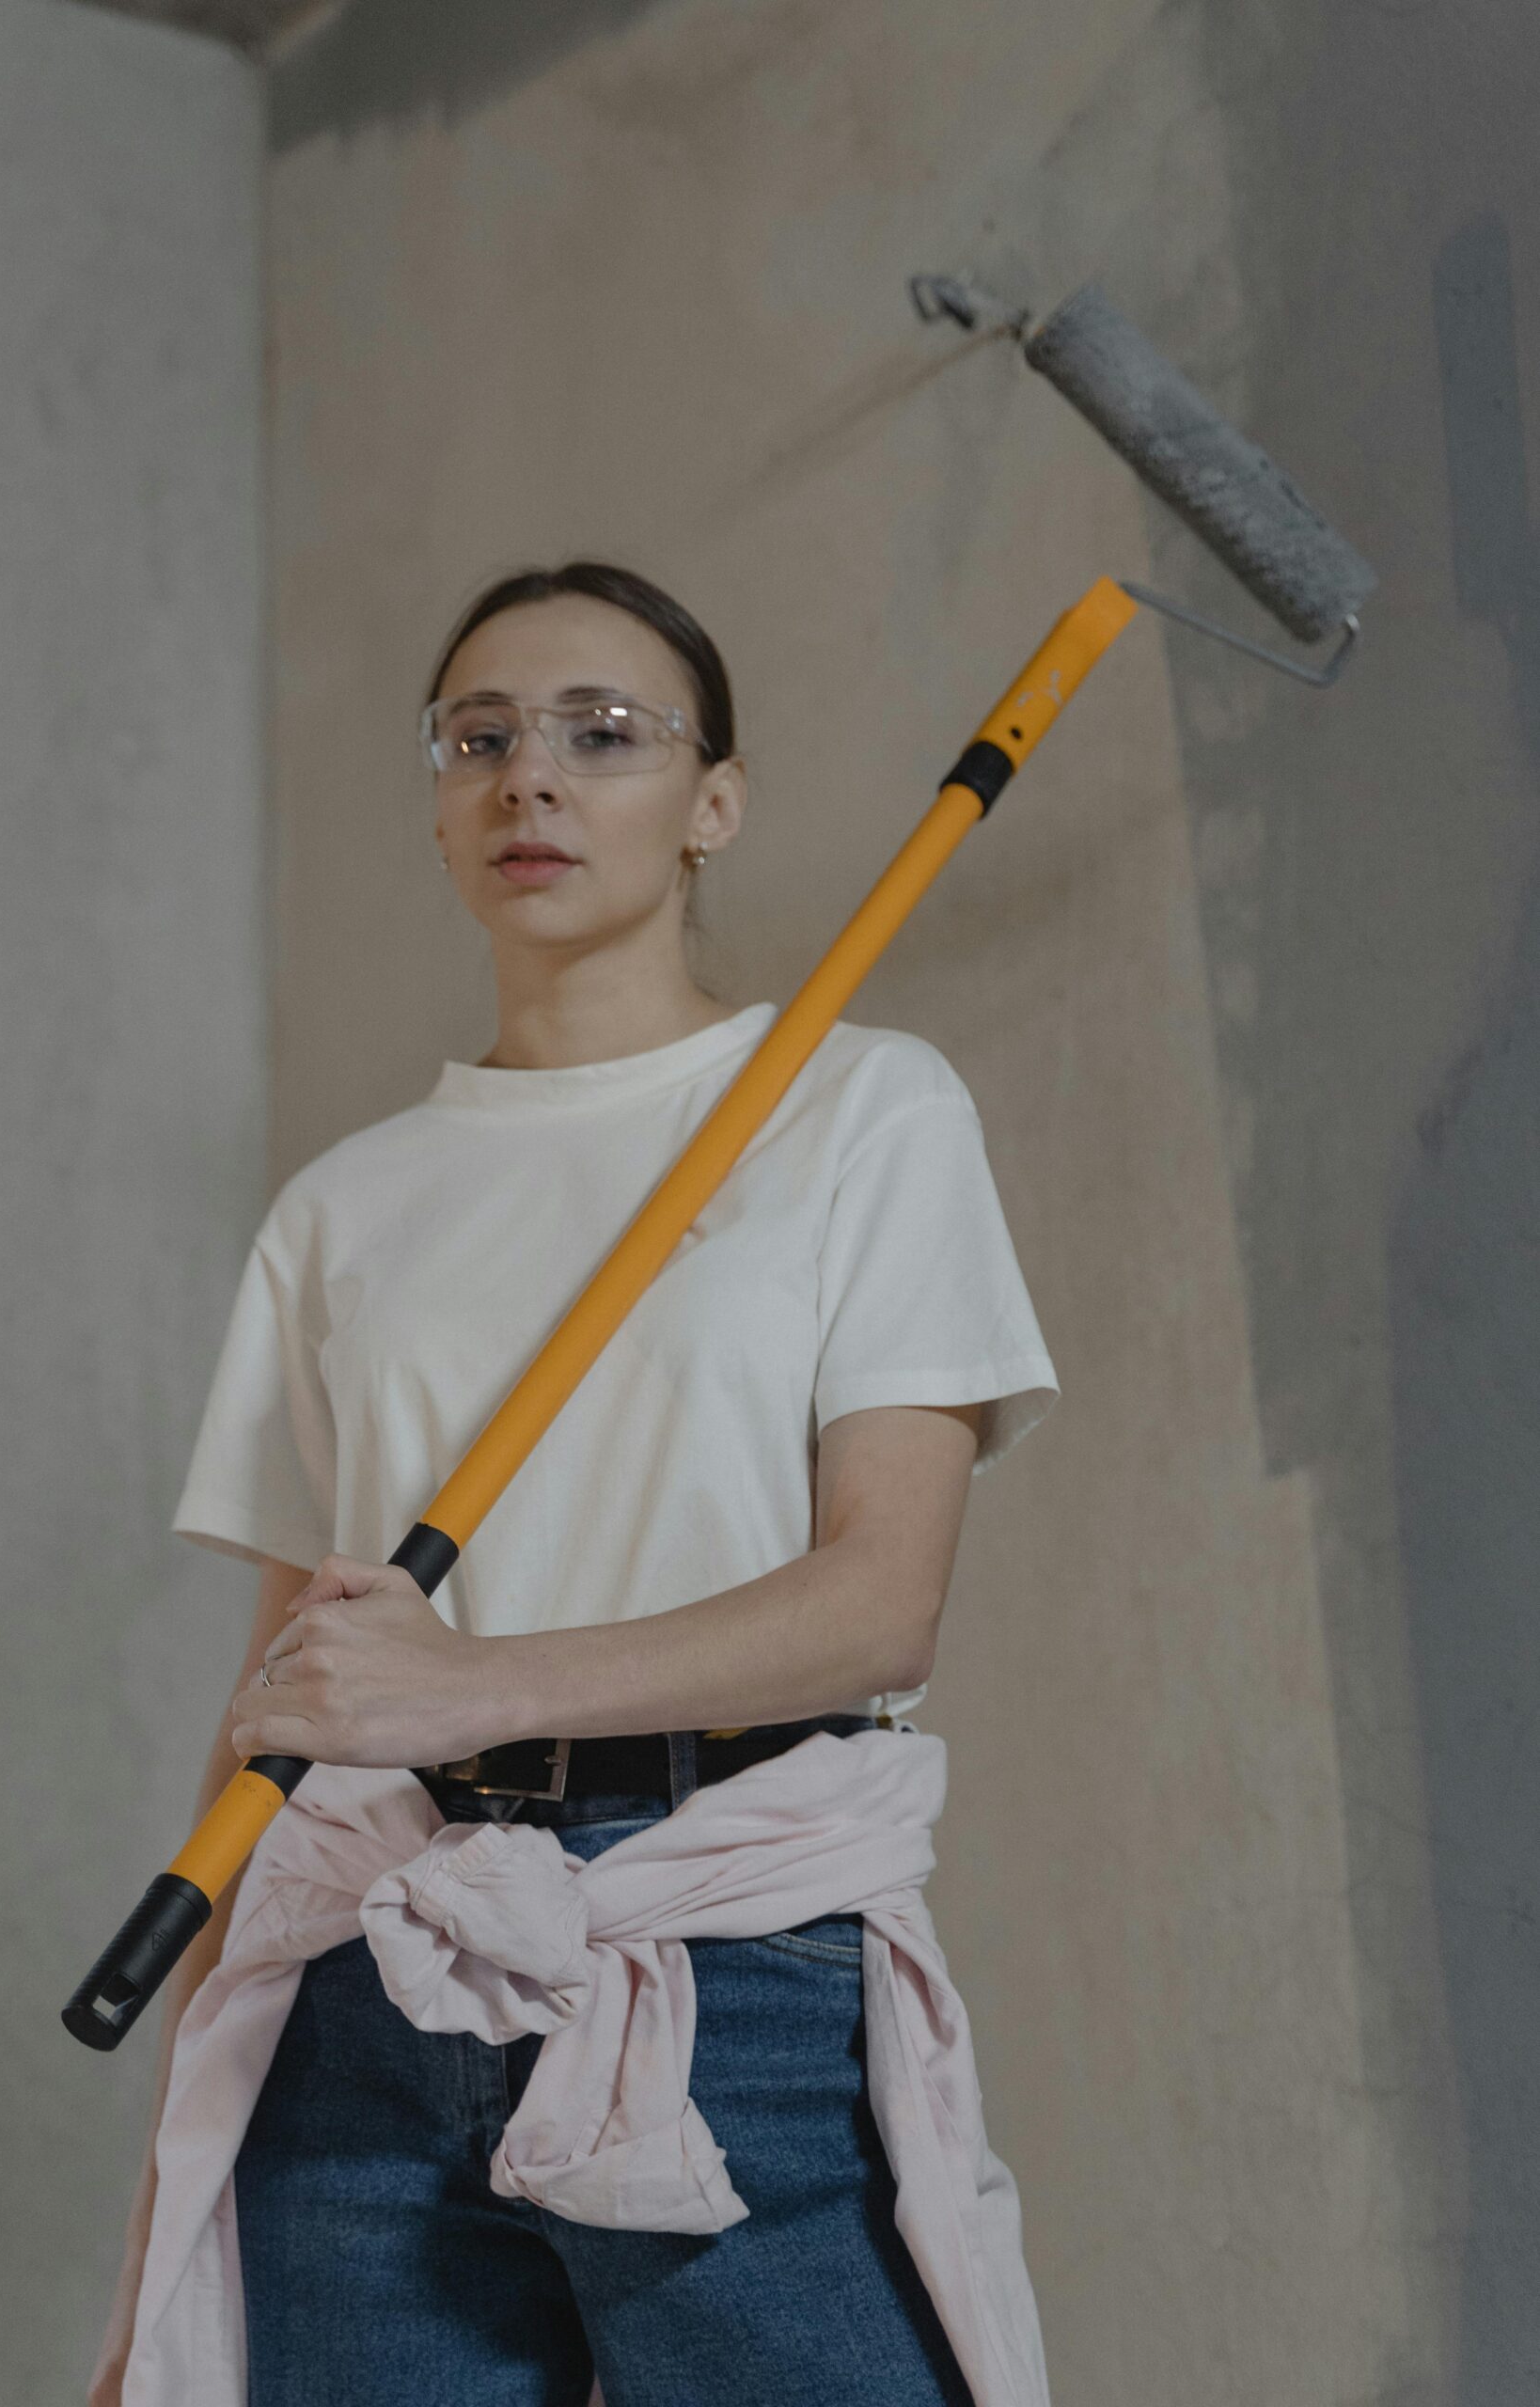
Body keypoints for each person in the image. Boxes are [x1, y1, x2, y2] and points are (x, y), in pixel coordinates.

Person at [92, 559, 1059, 2405]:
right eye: (480, 737)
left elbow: (879, 1597)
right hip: (363, 1974)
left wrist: (482, 1679)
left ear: (712, 804)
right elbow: (281, 1710)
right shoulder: (343, 1204)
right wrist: (164, 2225)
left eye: (600, 735)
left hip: (730, 1949)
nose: (530, 776)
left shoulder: (858, 1107)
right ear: (442, 800)